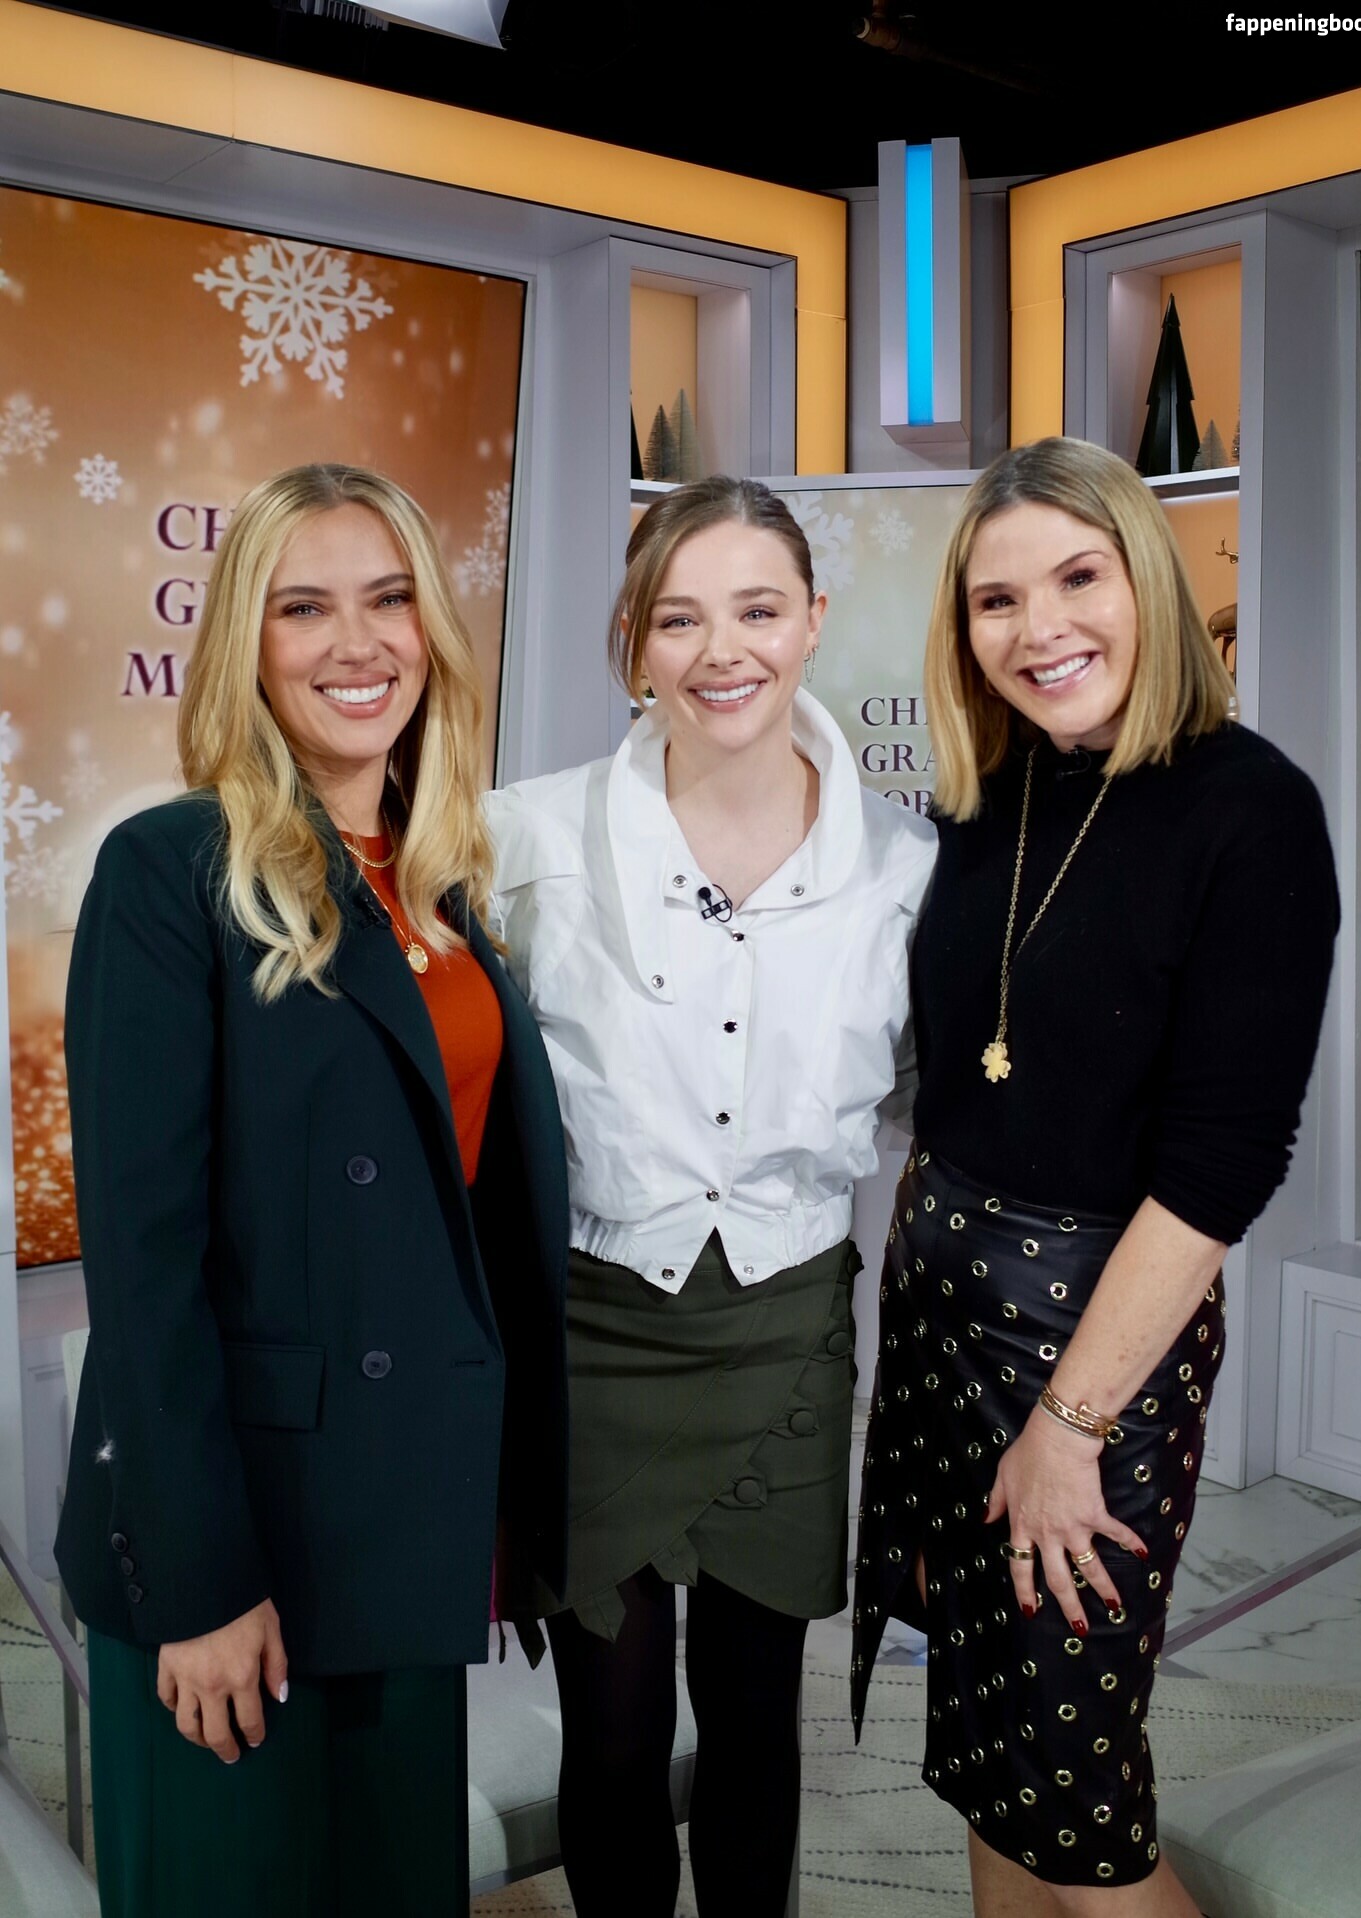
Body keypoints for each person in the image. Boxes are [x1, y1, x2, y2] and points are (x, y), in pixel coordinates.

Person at [56, 462, 569, 1918]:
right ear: (248, 642)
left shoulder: (442, 881)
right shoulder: (169, 869)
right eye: (304, 608)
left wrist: (506, 1507)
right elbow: (144, 1268)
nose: (358, 643)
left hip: (405, 1508)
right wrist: (200, 1581)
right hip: (244, 1532)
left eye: (390, 598)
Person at [851, 437, 1338, 1918]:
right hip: (940, 1327)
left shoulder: (1251, 808)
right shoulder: (986, 794)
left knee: (1078, 1799)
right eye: (997, 599)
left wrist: (1070, 1427)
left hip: (1091, 1350)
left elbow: (1220, 1171)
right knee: (988, 1756)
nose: (1040, 627)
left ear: (1148, 582)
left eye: (1077, 577)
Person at [485, 475, 936, 1916]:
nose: (721, 650)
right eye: (678, 617)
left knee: (754, 1719)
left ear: (813, 620)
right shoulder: (521, 840)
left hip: (787, 1328)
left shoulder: (908, 869)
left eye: (757, 609)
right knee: (615, 1735)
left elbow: (934, 1104)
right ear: (633, 638)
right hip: (594, 1328)